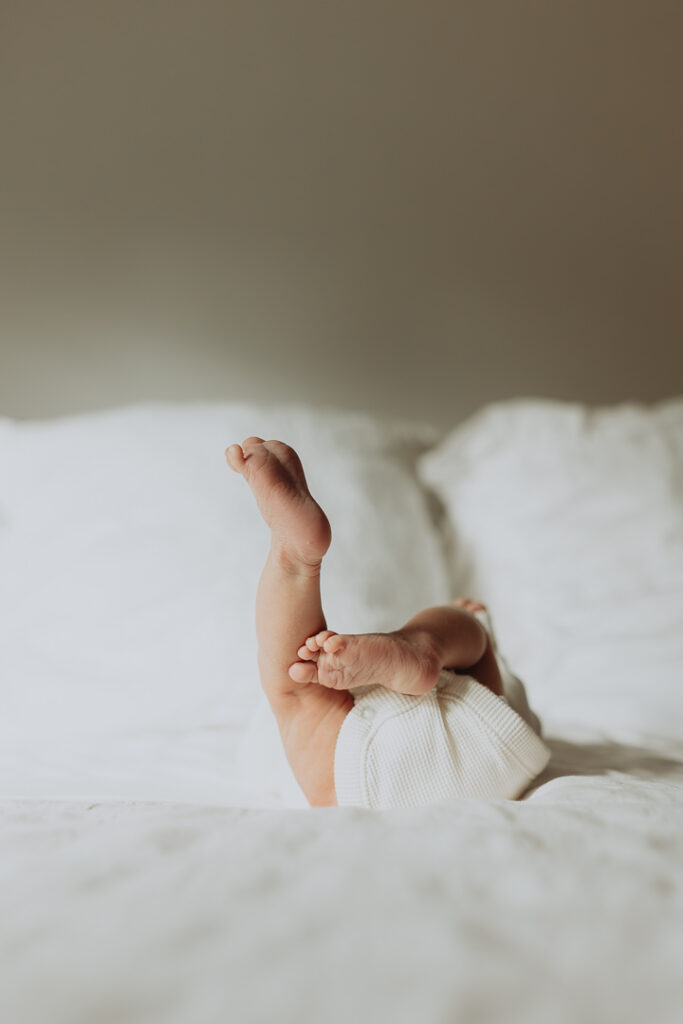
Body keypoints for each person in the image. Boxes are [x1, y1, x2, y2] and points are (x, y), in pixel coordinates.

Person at [226, 437, 550, 809]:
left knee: (296, 690)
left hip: (349, 779)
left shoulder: (259, 743)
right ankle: (421, 643)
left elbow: (257, 763)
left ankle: (296, 559)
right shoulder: (503, 682)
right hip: (491, 749)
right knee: (468, 633)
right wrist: (469, 620)